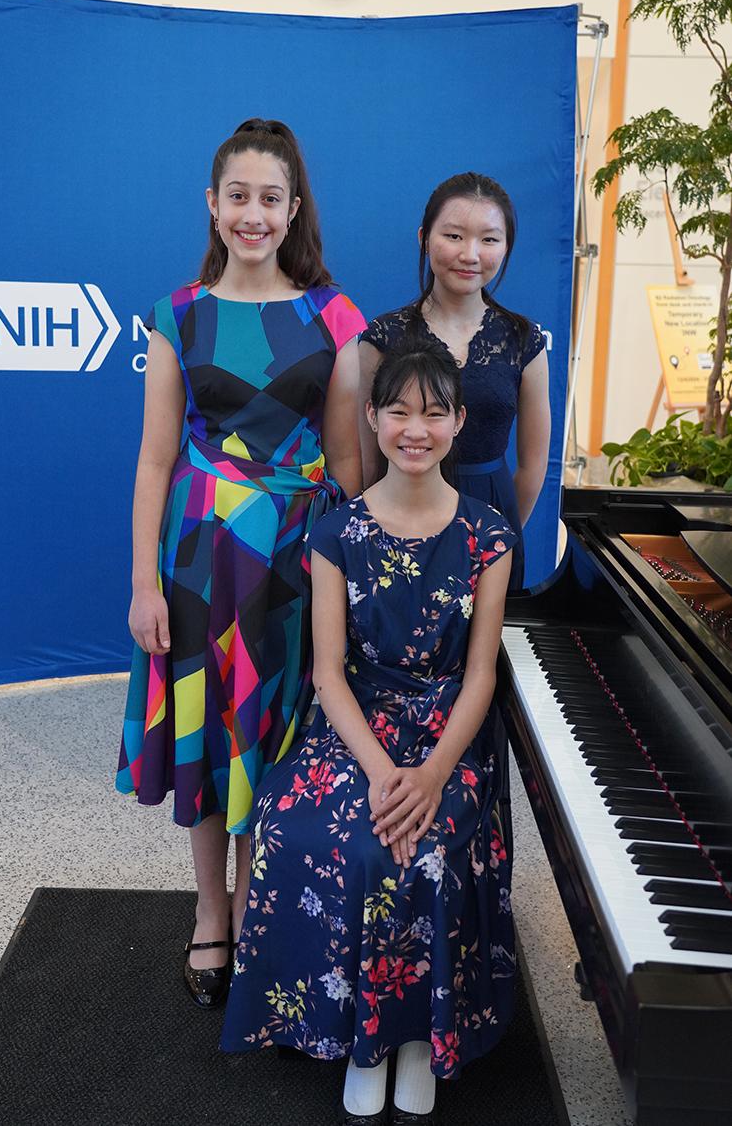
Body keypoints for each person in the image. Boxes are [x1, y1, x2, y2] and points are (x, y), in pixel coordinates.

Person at [222, 339, 517, 1126]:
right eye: (397, 411)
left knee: (419, 845)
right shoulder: (337, 532)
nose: (414, 429)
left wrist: (428, 775)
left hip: (448, 732)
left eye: (433, 412)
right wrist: (385, 767)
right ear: (374, 419)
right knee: (294, 824)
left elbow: (482, 675)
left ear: (458, 421)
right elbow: (326, 672)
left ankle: (417, 1038)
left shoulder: (490, 534)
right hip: (358, 725)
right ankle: (360, 1037)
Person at [115, 118, 365, 1009]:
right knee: (214, 734)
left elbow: (346, 463)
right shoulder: (178, 313)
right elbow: (153, 458)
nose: (253, 215)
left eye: (271, 198)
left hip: (298, 568)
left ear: (293, 209)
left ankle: (265, 911)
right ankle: (211, 914)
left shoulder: (335, 317)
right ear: (213, 207)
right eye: (238, 197)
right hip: (198, 564)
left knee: (282, 737)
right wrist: (144, 582)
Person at [358, 172, 550, 591]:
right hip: (398, 519)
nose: (470, 254)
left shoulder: (524, 340)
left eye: (489, 239)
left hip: (492, 513)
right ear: (425, 239)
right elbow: (368, 462)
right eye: (454, 236)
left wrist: (499, 532)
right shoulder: (383, 337)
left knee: (485, 654)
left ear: (506, 246)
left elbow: (533, 465)